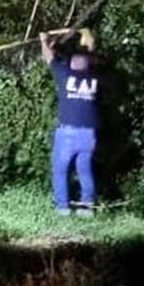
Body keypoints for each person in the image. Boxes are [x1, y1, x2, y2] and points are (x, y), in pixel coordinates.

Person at [40, 32, 99, 216]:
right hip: (89, 135)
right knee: (84, 170)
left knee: (60, 170)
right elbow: (89, 56)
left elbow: (48, 58)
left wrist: (44, 41)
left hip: (68, 133)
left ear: (72, 64)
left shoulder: (65, 75)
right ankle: (87, 207)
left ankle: (62, 208)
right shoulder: (94, 79)